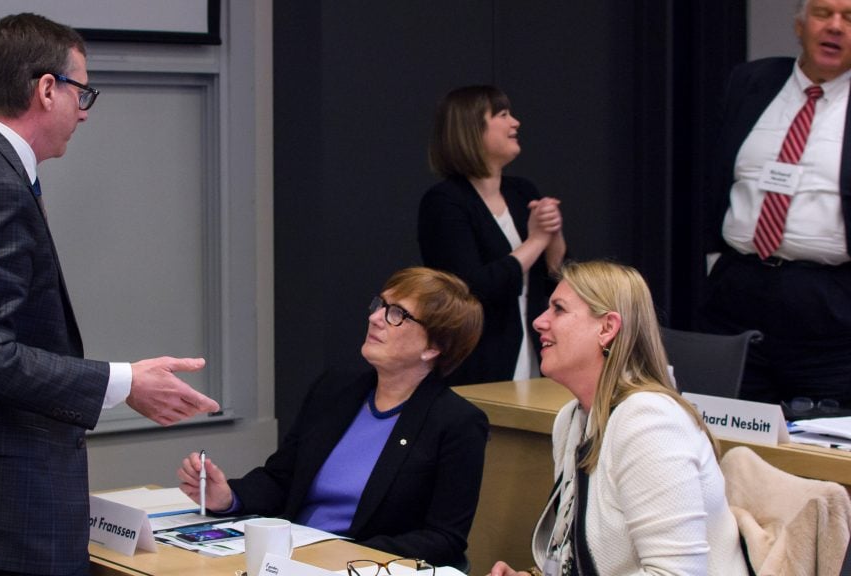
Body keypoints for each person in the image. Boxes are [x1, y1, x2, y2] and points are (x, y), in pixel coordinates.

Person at [0, 13, 220, 576]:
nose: (85, 111)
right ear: (47, 89)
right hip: (14, 494)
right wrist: (123, 383)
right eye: (82, 91)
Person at [177, 267, 488, 569]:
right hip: (291, 560)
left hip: (359, 566)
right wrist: (229, 497)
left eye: (397, 314)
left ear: (433, 348)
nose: (374, 318)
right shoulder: (336, 390)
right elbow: (281, 478)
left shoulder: (456, 422)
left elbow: (444, 537)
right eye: (380, 305)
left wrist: (342, 554)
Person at [487, 261, 749, 576]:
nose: (540, 322)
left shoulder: (649, 421)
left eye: (558, 309)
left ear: (607, 328)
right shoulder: (572, 418)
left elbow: (679, 574)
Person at [699, 0, 851, 411]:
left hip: (828, 304)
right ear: (800, 25)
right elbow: (714, 172)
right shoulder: (752, 81)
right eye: (823, 13)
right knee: (723, 427)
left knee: (820, 444)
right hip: (738, 288)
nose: (835, 27)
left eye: (849, 17)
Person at [419, 84, 566, 387]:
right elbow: (471, 288)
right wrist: (536, 240)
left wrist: (553, 232)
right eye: (503, 114)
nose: (515, 122)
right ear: (471, 129)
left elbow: (557, 274)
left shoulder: (522, 191)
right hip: (480, 364)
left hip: (538, 354)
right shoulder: (445, 201)